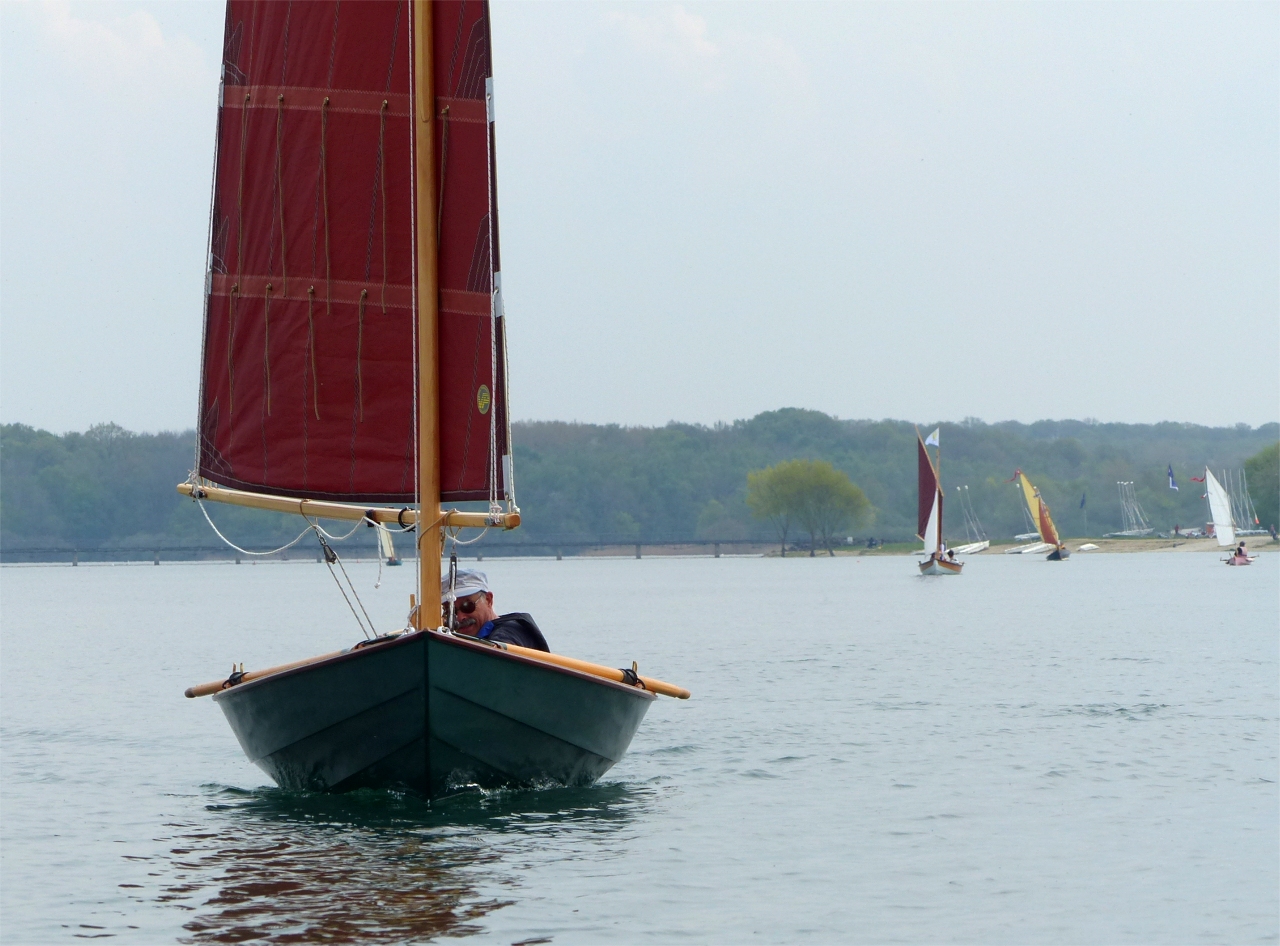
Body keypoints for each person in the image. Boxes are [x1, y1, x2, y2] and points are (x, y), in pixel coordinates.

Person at [442, 568, 549, 651]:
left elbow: (503, 647)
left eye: (467, 606)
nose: (460, 617)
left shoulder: (510, 632)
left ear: (488, 600)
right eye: (451, 611)